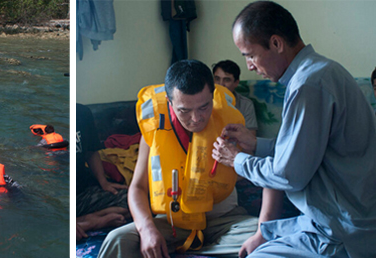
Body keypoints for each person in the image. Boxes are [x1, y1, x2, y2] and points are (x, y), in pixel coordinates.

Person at [210, 2, 376, 257]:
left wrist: (237, 160)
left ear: (276, 43)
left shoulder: (307, 85)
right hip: (350, 218)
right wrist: (257, 145)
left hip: (349, 230)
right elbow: (309, 149)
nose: (249, 67)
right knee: (262, 237)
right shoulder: (321, 70)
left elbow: (289, 175)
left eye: (250, 55)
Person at [98, 60, 259, 258]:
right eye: (184, 110)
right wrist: (147, 229)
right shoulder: (154, 133)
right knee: (117, 239)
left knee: (267, 238)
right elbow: (137, 188)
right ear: (169, 101)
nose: (196, 118)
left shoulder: (230, 128)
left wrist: (236, 160)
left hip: (225, 220)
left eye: (204, 107)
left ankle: (209, 249)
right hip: (173, 224)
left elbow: (258, 173)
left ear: (213, 96)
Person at [75, 103, 130, 242]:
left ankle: (87, 219)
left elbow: (91, 152)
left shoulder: (82, 112)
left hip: (83, 194)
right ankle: (92, 222)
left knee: (138, 201)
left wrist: (104, 183)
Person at [212, 60, 258, 136]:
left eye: (226, 80)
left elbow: (251, 137)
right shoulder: (204, 102)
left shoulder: (246, 104)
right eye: (217, 79)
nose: (221, 84)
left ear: (236, 83)